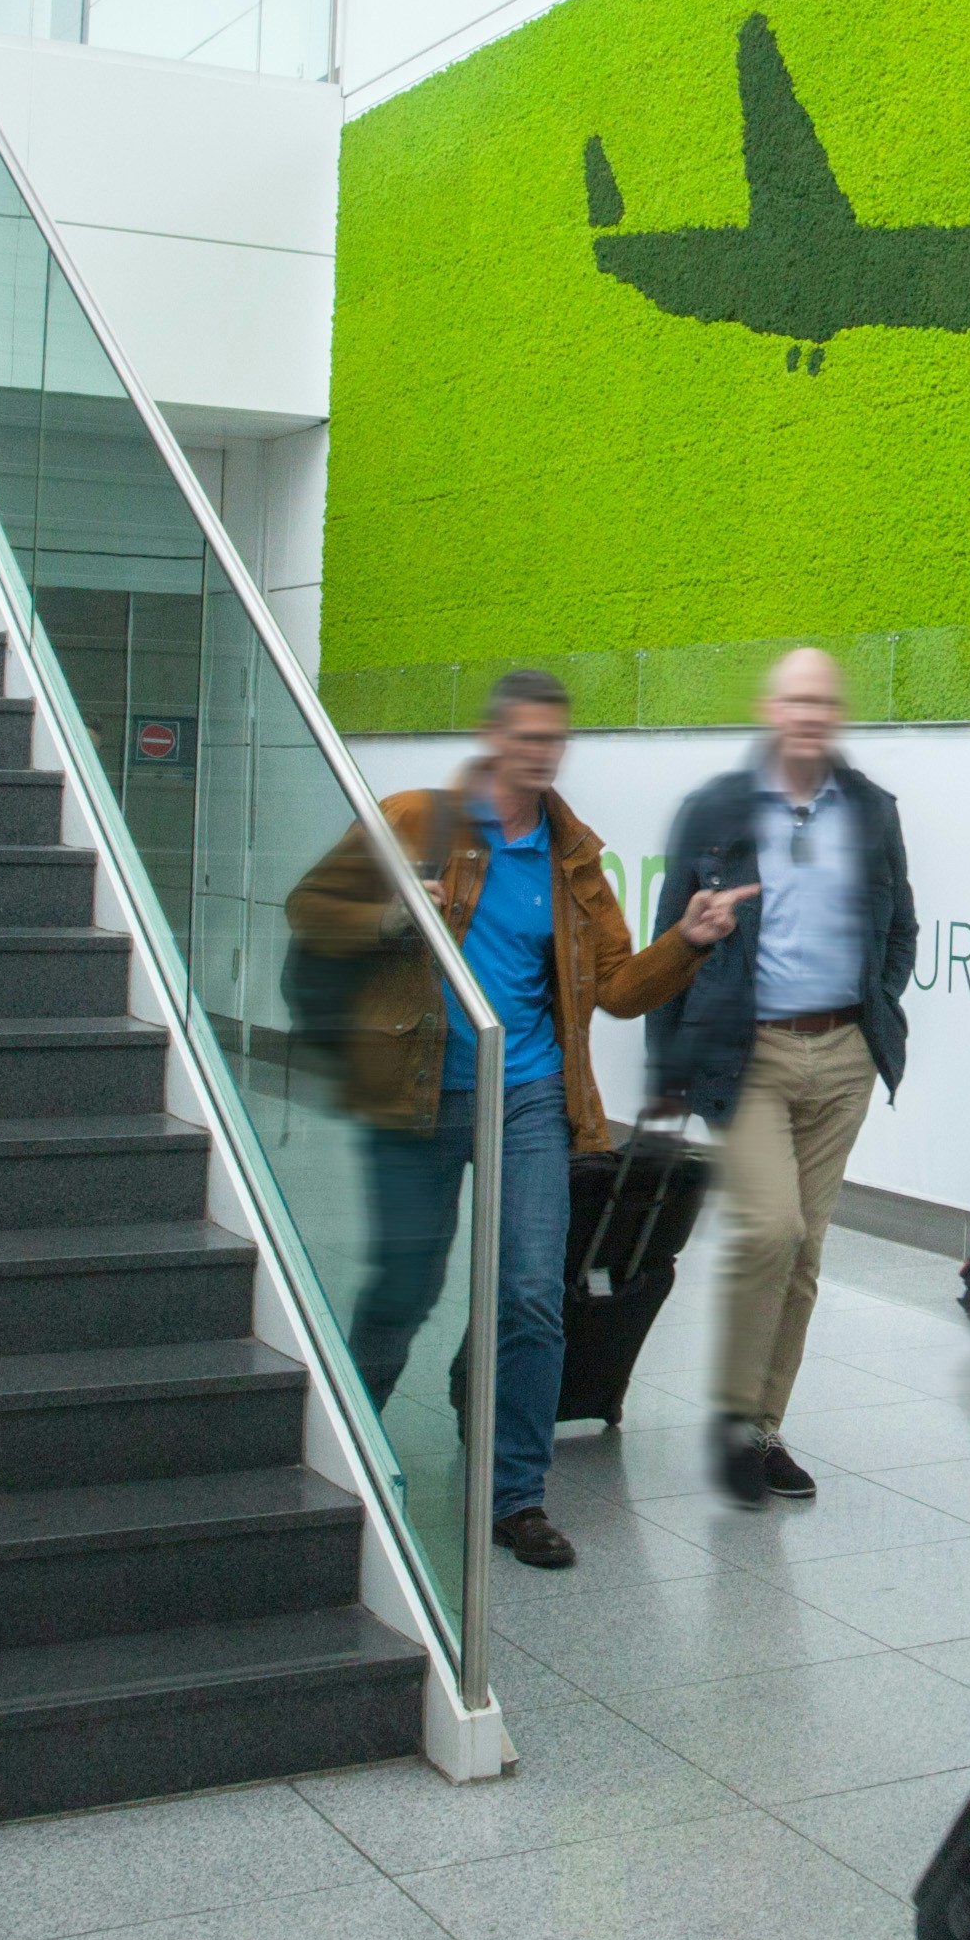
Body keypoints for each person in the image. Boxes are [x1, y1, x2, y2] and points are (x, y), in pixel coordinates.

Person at [284, 669, 698, 1570]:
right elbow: (310, 910)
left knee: (530, 1294)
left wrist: (689, 942)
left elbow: (622, 990)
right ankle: (344, 1455)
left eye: (556, 741)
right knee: (405, 1292)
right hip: (419, 1091)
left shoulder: (572, 857)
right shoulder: (415, 820)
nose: (543, 755)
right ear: (495, 739)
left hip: (534, 1091)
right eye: (528, 739)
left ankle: (517, 1496)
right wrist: (397, 916)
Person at [642, 646, 915, 1510]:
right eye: (795, 699)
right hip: (746, 1051)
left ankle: (761, 1428)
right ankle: (730, 1419)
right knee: (772, 1229)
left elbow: (900, 923)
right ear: (771, 707)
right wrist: (667, 1066)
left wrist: (872, 1011)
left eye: (824, 700)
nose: (810, 713)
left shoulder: (872, 810)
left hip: (843, 1056)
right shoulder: (715, 811)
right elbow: (671, 942)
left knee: (805, 1250)